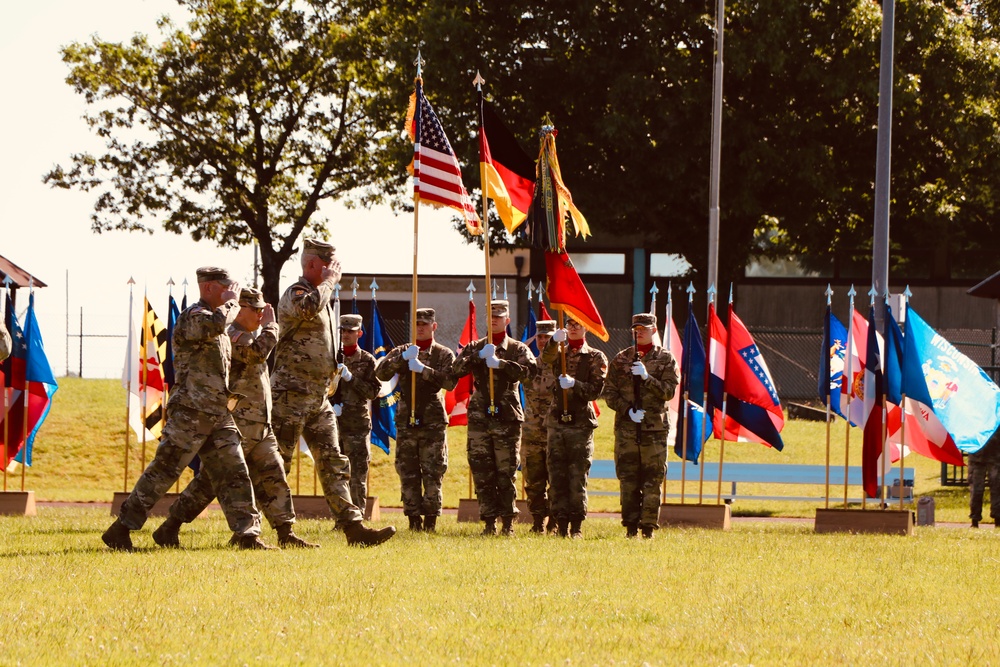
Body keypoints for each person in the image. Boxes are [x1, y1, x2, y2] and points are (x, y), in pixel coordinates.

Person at [102, 267, 269, 551]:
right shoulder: (195, 316)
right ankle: (121, 529)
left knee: (235, 471)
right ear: (209, 288)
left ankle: (247, 535)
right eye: (227, 289)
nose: (234, 296)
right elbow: (217, 323)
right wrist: (231, 302)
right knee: (164, 471)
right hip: (190, 413)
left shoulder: (218, 319)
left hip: (218, 413)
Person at [151, 288, 318, 549]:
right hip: (237, 425)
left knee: (274, 476)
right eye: (257, 310)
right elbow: (255, 354)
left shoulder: (250, 334)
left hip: (260, 424)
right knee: (207, 484)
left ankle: (286, 533)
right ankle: (170, 527)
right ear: (240, 309)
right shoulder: (230, 334)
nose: (263, 315)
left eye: (264, 310)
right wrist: (272, 328)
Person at [270, 238, 395, 547]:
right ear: (313, 265)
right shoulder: (297, 294)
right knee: (279, 463)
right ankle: (280, 531)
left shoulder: (323, 298)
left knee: (333, 462)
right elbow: (308, 308)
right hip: (290, 395)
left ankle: (354, 528)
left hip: (317, 398)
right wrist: (328, 282)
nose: (336, 272)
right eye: (330, 266)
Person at [452, 300, 534, 536]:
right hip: (480, 417)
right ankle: (489, 521)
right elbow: (456, 371)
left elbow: (529, 374)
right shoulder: (475, 347)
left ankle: (508, 522)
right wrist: (478, 356)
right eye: (491, 317)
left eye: (499, 317)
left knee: (505, 471)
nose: (495, 320)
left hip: (507, 416)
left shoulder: (517, 349)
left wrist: (502, 364)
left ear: (507, 321)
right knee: (482, 470)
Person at [376, 308, 456, 532]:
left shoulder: (443, 354)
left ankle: (430, 521)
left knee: (433, 471)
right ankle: (413, 521)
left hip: (432, 422)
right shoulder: (403, 351)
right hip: (407, 421)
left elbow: (450, 382)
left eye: (425, 323)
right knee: (408, 471)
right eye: (417, 324)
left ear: (434, 326)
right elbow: (381, 373)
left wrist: (424, 370)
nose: (420, 327)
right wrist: (401, 359)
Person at [604, 313, 679, 539]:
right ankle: (630, 526)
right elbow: (609, 393)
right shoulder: (621, 359)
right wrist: (627, 410)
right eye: (636, 329)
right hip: (627, 429)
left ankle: (648, 527)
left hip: (654, 430)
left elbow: (669, 392)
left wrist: (647, 377)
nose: (639, 333)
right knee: (628, 478)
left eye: (644, 329)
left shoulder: (666, 359)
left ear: (654, 330)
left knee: (652, 479)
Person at [539, 314, 607, 538]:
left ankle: (576, 526)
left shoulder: (596, 357)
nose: (573, 328)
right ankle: (560, 524)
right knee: (557, 476)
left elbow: (595, 390)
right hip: (557, 422)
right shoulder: (560, 354)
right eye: (569, 324)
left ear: (586, 329)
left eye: (578, 325)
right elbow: (545, 358)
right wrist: (552, 341)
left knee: (577, 476)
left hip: (579, 424)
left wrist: (574, 384)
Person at [331, 313, 381, 513]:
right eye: (343, 331)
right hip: (334, 423)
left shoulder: (367, 360)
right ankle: (340, 517)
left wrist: (351, 379)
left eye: (350, 331)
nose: (345, 335)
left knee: (357, 475)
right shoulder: (332, 357)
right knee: (336, 474)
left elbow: (373, 392)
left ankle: (357, 517)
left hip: (357, 426)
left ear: (359, 333)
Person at [522, 319, 558, 533]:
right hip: (532, 430)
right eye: (541, 337)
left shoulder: (564, 366)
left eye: (549, 337)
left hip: (556, 431)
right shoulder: (530, 365)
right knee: (533, 480)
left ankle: (553, 521)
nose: (544, 341)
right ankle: (537, 521)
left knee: (556, 479)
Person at [969, 427, 1000, 528]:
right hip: (995, 450)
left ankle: (975, 519)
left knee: (977, 488)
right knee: (996, 487)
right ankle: (997, 519)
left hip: (978, 450)